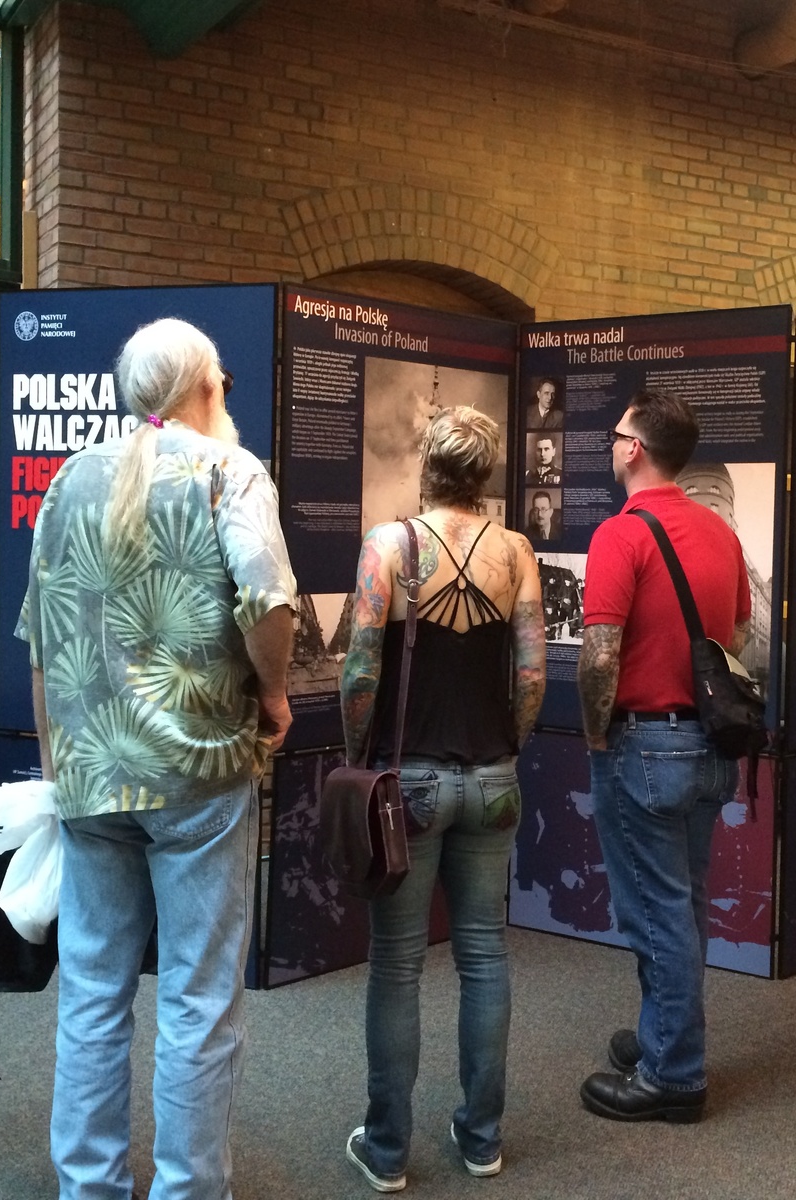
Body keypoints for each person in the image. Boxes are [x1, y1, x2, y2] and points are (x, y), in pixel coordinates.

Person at [15, 317, 298, 1199]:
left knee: (92, 993)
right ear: (208, 385)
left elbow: (41, 637)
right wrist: (275, 694)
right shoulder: (229, 471)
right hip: (199, 774)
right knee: (199, 999)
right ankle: (187, 1189)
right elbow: (268, 599)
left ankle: (88, 1186)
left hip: (90, 775)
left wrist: (57, 761)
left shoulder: (70, 477)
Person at [340, 406, 546, 1191]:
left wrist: (359, 756)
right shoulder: (515, 551)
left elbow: (361, 668)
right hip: (493, 778)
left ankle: (388, 1150)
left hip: (410, 782)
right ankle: (482, 1139)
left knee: (397, 967)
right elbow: (531, 675)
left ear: (428, 464)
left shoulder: (389, 546)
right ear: (484, 472)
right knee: (485, 956)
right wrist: (507, 744)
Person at [576, 390, 750, 1124]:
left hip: (644, 746)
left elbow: (598, 655)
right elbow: (737, 637)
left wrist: (595, 735)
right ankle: (661, 1036)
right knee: (683, 903)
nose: (612, 443)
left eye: (617, 433)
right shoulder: (721, 535)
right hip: (709, 747)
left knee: (656, 913)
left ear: (635, 449)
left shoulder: (622, 534)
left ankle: (673, 1076)